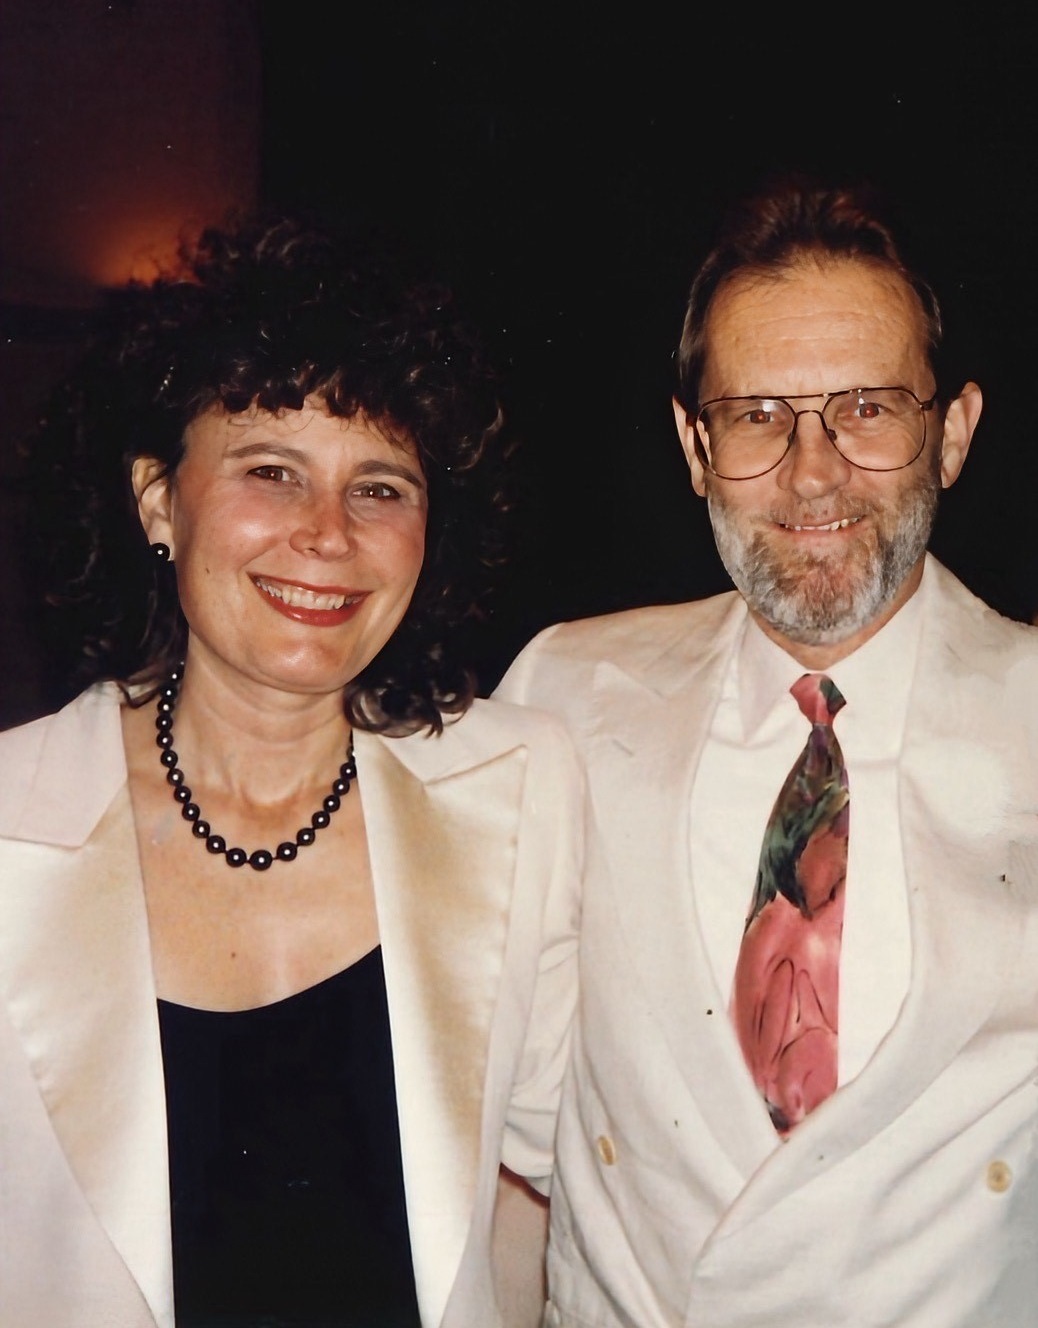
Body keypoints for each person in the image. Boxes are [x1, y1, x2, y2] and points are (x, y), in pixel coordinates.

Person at [0, 215, 581, 1328]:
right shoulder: (10, 825)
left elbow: (551, 1176)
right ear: (159, 501)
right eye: (272, 470)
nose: (328, 534)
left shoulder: (523, 782)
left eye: (381, 486)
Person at [495, 175, 1038, 1325]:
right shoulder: (567, 693)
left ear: (954, 432)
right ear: (695, 445)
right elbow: (508, 1134)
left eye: (868, 408)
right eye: (757, 416)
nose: (812, 471)